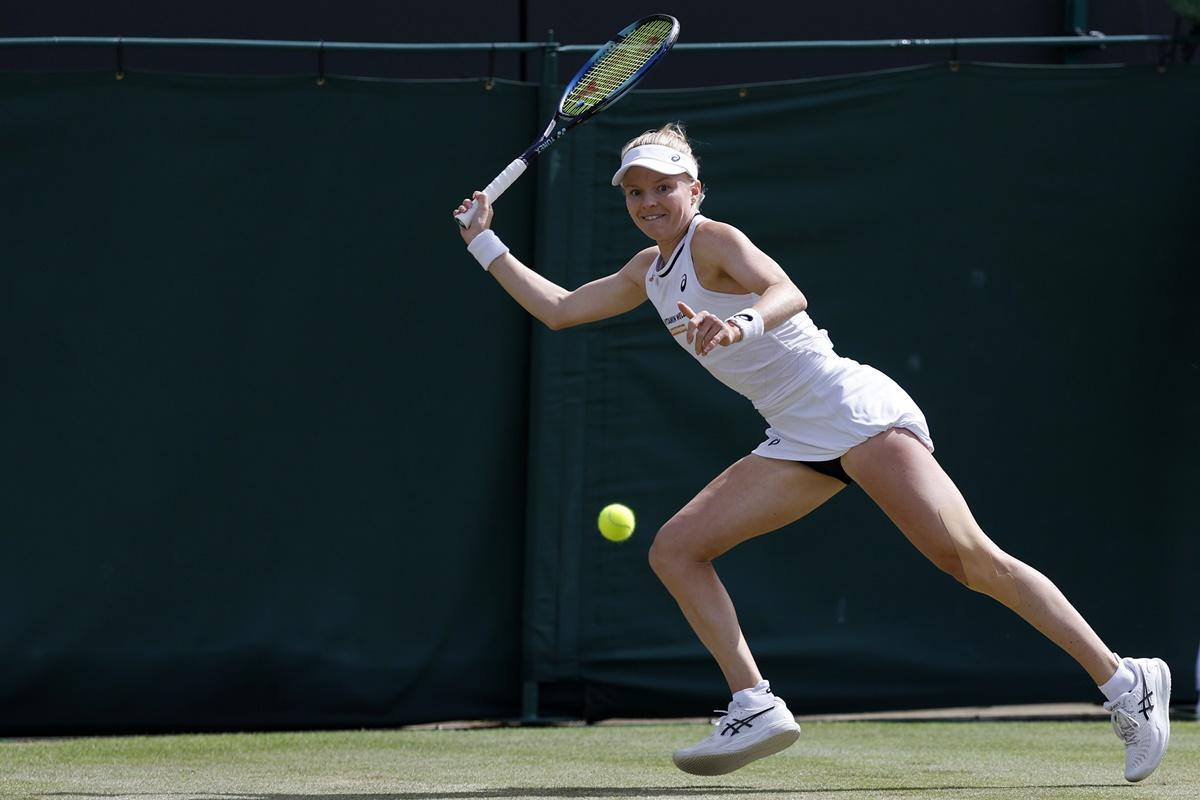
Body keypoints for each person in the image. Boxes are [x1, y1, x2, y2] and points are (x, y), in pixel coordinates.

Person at [453, 123, 1171, 782]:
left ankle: (1124, 681)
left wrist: (738, 328)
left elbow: (786, 291)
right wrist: (486, 242)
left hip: (851, 411)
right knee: (676, 549)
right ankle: (754, 702)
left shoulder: (714, 239)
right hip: (795, 435)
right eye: (636, 191)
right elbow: (559, 309)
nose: (649, 201)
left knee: (970, 560)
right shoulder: (649, 269)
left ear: (694, 190)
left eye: (664, 187)